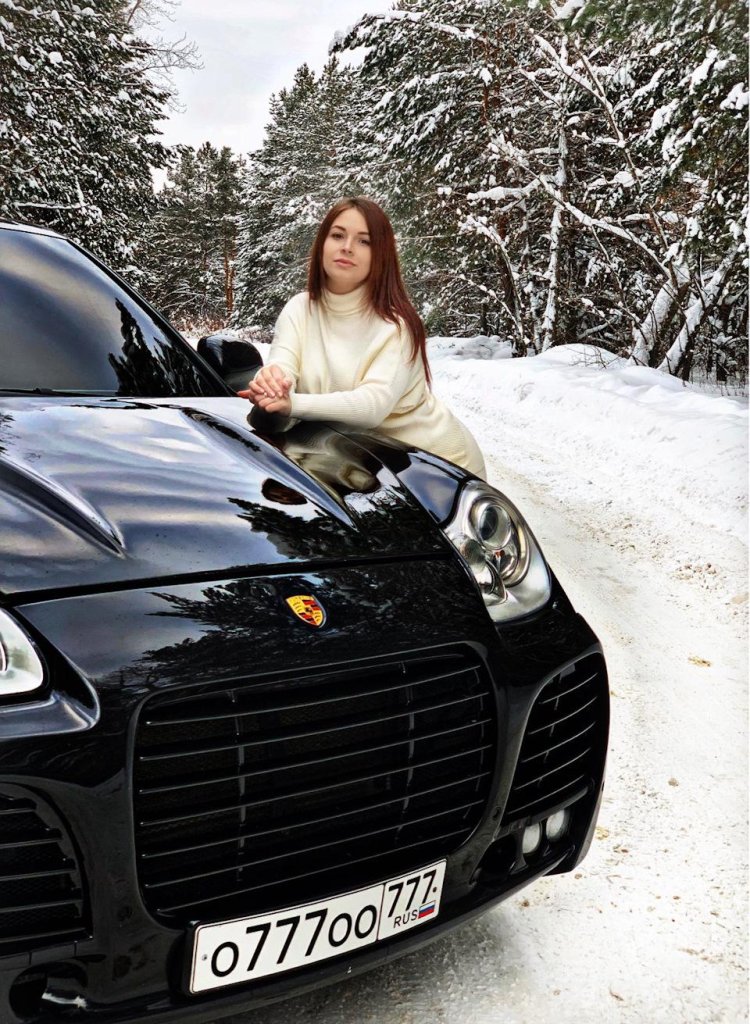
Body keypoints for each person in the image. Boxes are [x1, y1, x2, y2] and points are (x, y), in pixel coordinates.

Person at [238, 197, 486, 479]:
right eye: (338, 235)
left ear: (381, 253)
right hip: (364, 461)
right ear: (322, 243)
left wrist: (293, 404)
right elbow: (283, 365)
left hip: (433, 465)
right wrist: (272, 383)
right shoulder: (300, 308)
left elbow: (372, 406)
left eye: (364, 241)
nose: (347, 247)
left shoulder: (397, 324)